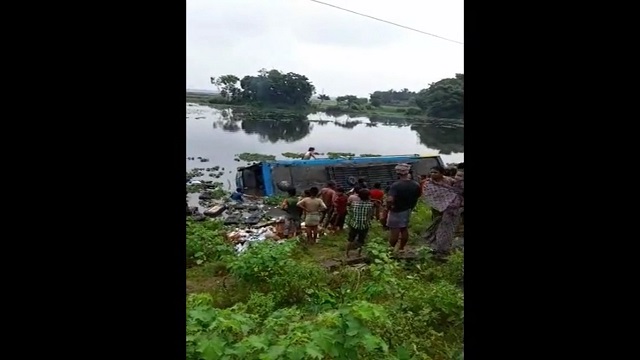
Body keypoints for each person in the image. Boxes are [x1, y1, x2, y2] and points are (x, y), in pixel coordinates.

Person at [423, 171, 464, 256]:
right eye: (457, 175)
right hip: (451, 209)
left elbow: (453, 191)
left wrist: (436, 184)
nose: (457, 177)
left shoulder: (460, 185)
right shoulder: (456, 184)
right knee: (444, 228)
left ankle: (442, 250)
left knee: (446, 229)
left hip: (453, 210)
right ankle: (441, 248)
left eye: (460, 176)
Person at [386, 163, 422, 252]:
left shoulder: (395, 185)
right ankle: (402, 248)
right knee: (404, 229)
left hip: (396, 210)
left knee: (394, 231)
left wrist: (388, 208)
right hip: (408, 209)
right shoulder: (416, 184)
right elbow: (418, 196)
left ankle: (390, 251)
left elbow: (390, 199)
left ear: (397, 173)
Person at [346, 189, 374, 257]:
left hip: (354, 224)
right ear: (368, 196)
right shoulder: (370, 205)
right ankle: (359, 254)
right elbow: (369, 216)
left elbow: (350, 212)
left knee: (351, 239)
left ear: (359, 196)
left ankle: (347, 253)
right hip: (364, 225)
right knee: (361, 240)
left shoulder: (354, 204)